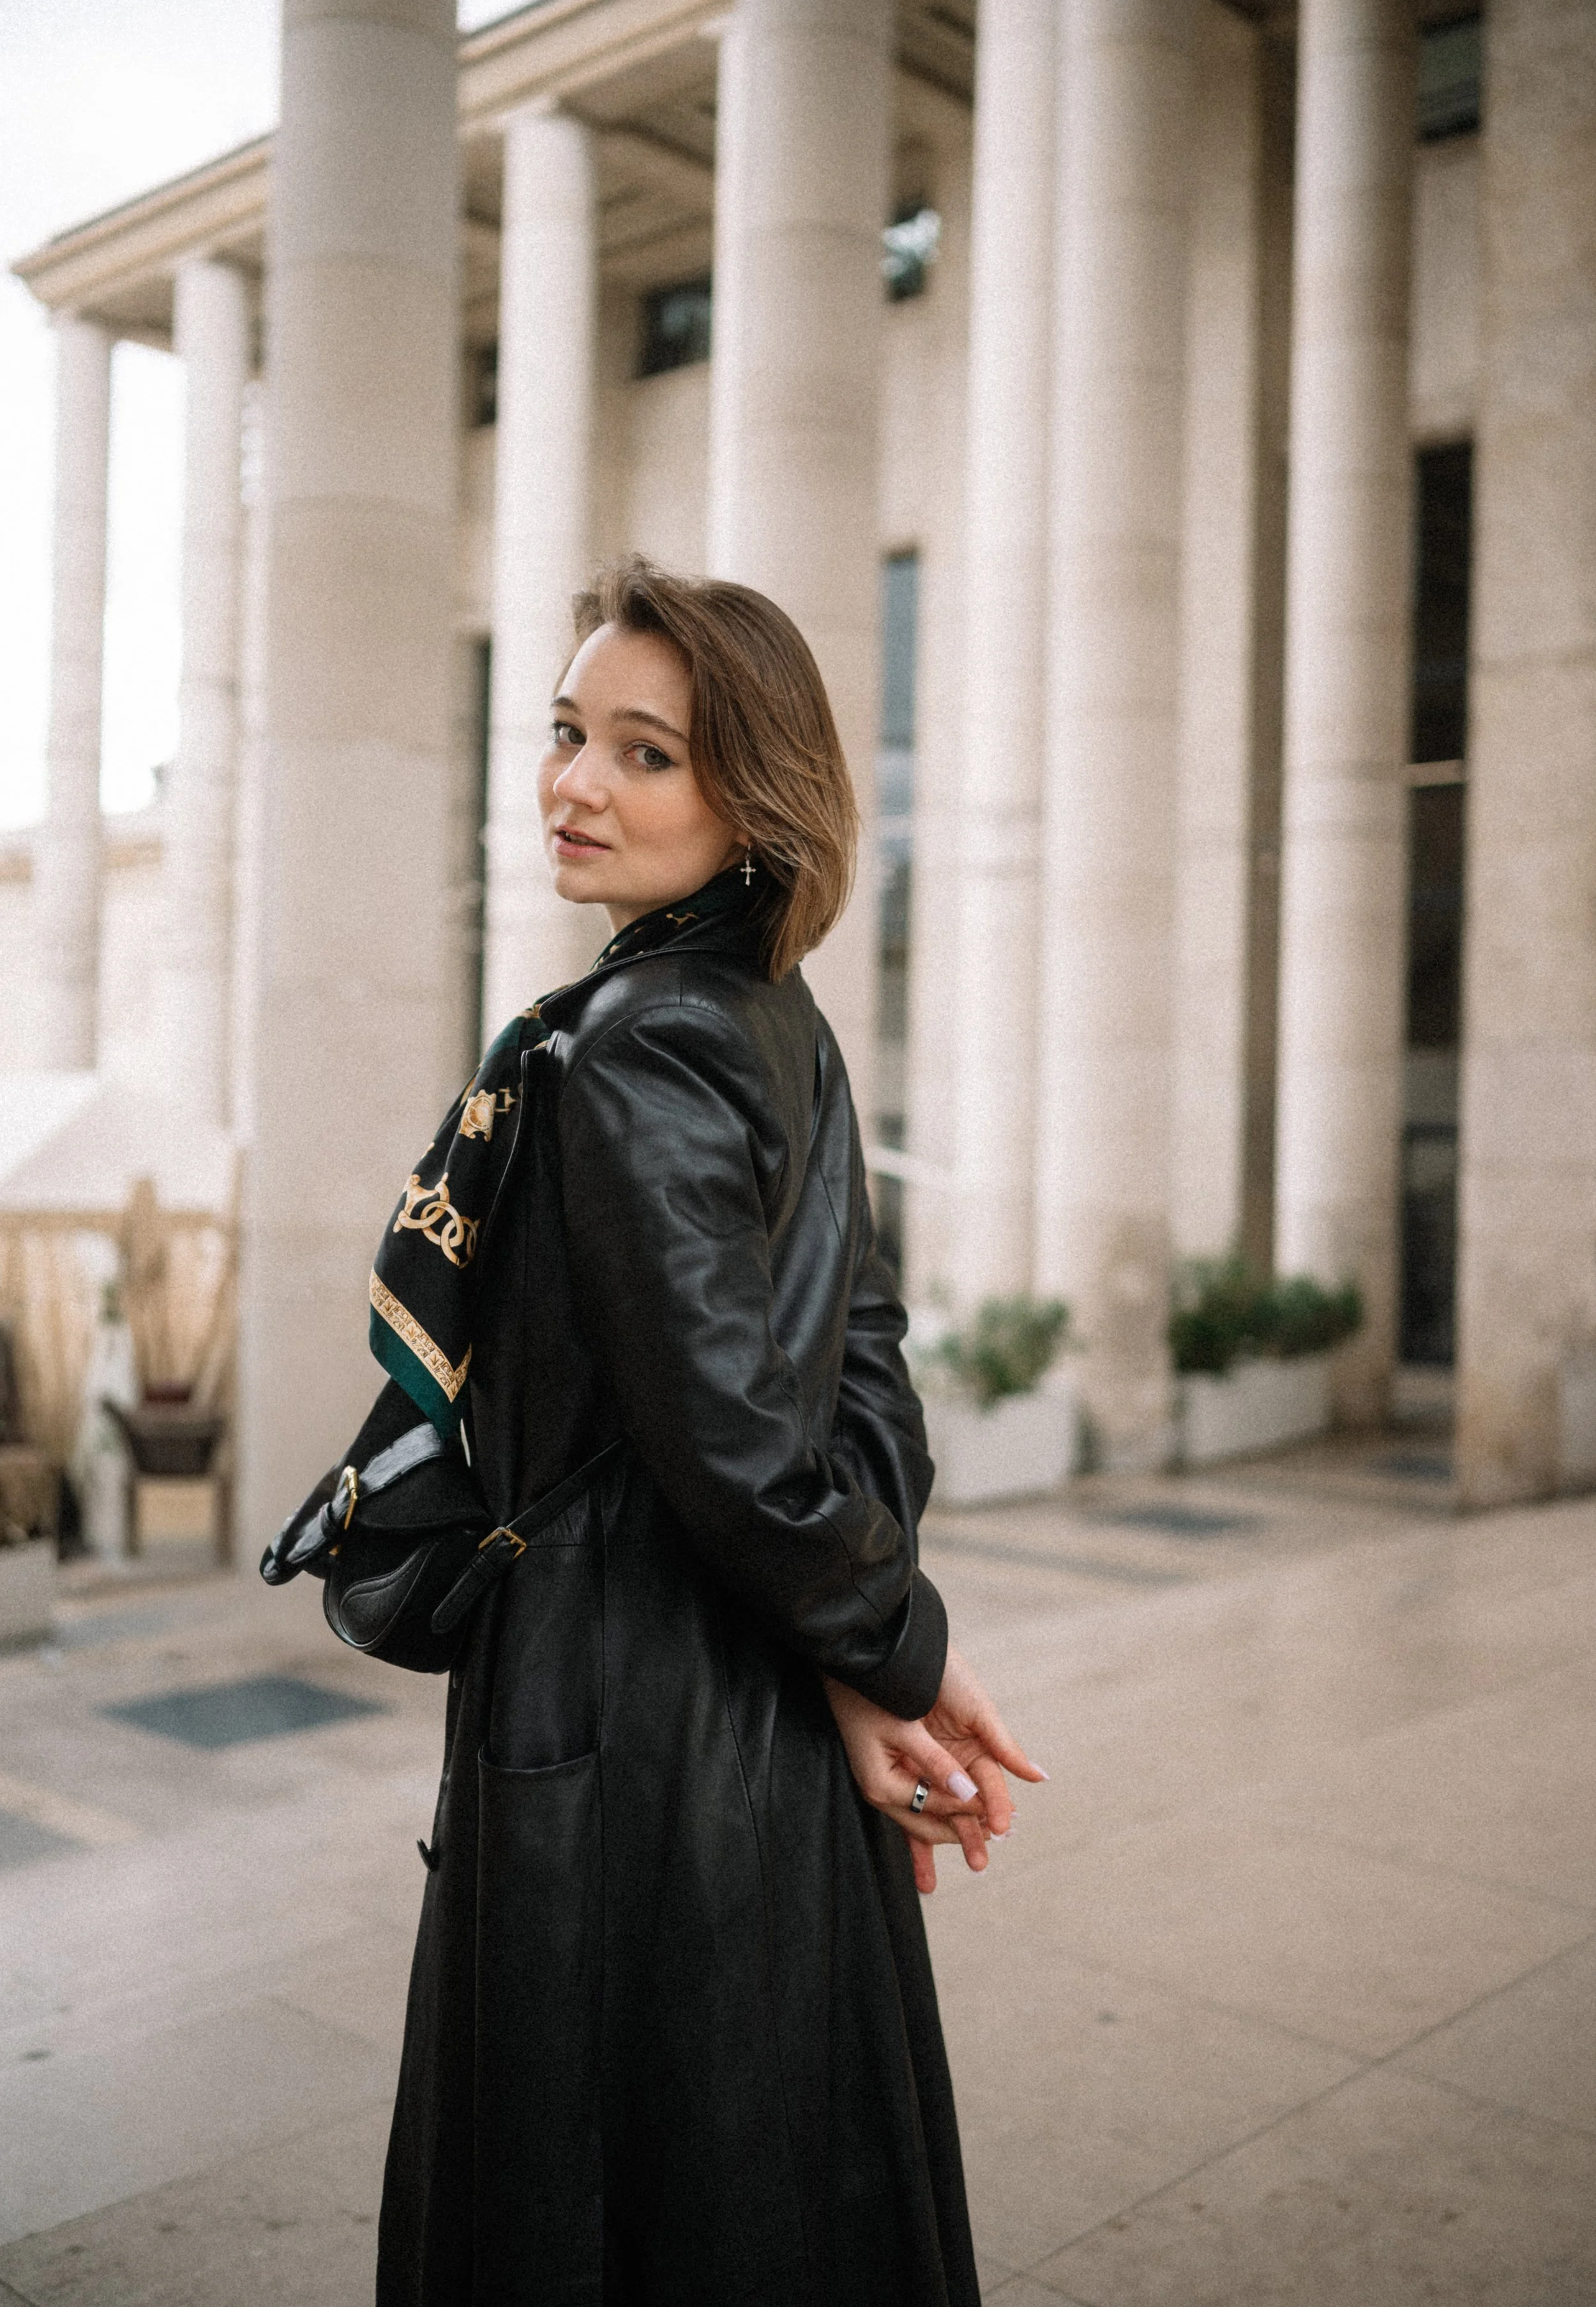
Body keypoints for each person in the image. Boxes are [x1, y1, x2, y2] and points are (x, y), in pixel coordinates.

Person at [375, 559, 1043, 2306]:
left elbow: (745, 1446)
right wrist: (875, 1650)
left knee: (606, 2190)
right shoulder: (778, 1025)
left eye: (643, 753)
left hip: (625, 1721)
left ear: (751, 798)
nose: (573, 784)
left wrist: (891, 1648)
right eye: (566, 732)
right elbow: (862, 1371)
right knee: (772, 2171)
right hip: (748, 1692)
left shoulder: (629, 1050)